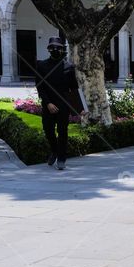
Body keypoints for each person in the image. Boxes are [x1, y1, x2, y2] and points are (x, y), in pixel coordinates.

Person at [33, 37, 83, 170]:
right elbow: (40, 86)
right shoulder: (41, 65)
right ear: (49, 49)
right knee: (48, 129)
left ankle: (61, 158)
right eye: (53, 47)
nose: (55, 50)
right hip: (48, 103)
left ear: (62, 50)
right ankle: (54, 150)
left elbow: (73, 88)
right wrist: (48, 103)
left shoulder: (69, 67)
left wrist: (80, 108)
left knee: (63, 131)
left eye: (58, 48)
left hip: (64, 104)